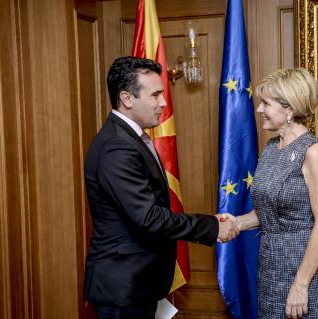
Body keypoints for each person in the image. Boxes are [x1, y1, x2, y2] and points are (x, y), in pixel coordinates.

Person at [83, 56, 238, 319]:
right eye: (155, 95)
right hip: (124, 288)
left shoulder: (131, 138)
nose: (164, 103)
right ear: (127, 98)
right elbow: (149, 217)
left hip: (138, 283)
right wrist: (213, 226)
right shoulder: (117, 147)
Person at [225, 68, 318, 318]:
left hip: (303, 268)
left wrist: (301, 284)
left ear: (289, 109)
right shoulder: (272, 147)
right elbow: (269, 212)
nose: (259, 109)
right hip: (270, 266)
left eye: (266, 103)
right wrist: (238, 222)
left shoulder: (313, 151)